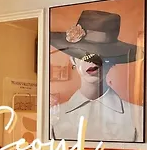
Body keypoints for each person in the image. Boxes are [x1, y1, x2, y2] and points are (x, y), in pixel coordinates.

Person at [50, 9, 144, 142]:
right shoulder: (54, 116)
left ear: (113, 62)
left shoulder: (138, 115)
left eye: (104, 55)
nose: (94, 62)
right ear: (73, 59)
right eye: (85, 53)